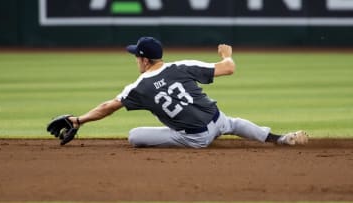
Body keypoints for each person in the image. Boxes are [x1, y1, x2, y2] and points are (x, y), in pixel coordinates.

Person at [66, 36, 308, 148]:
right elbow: (229, 68)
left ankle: (200, 137)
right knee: (232, 122)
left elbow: (107, 107)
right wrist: (226, 55)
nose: (135, 60)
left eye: (136, 56)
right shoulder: (182, 65)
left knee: (134, 135)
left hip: (195, 138)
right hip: (217, 119)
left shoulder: (138, 88)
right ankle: (278, 139)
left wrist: (78, 120)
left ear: (144, 60)